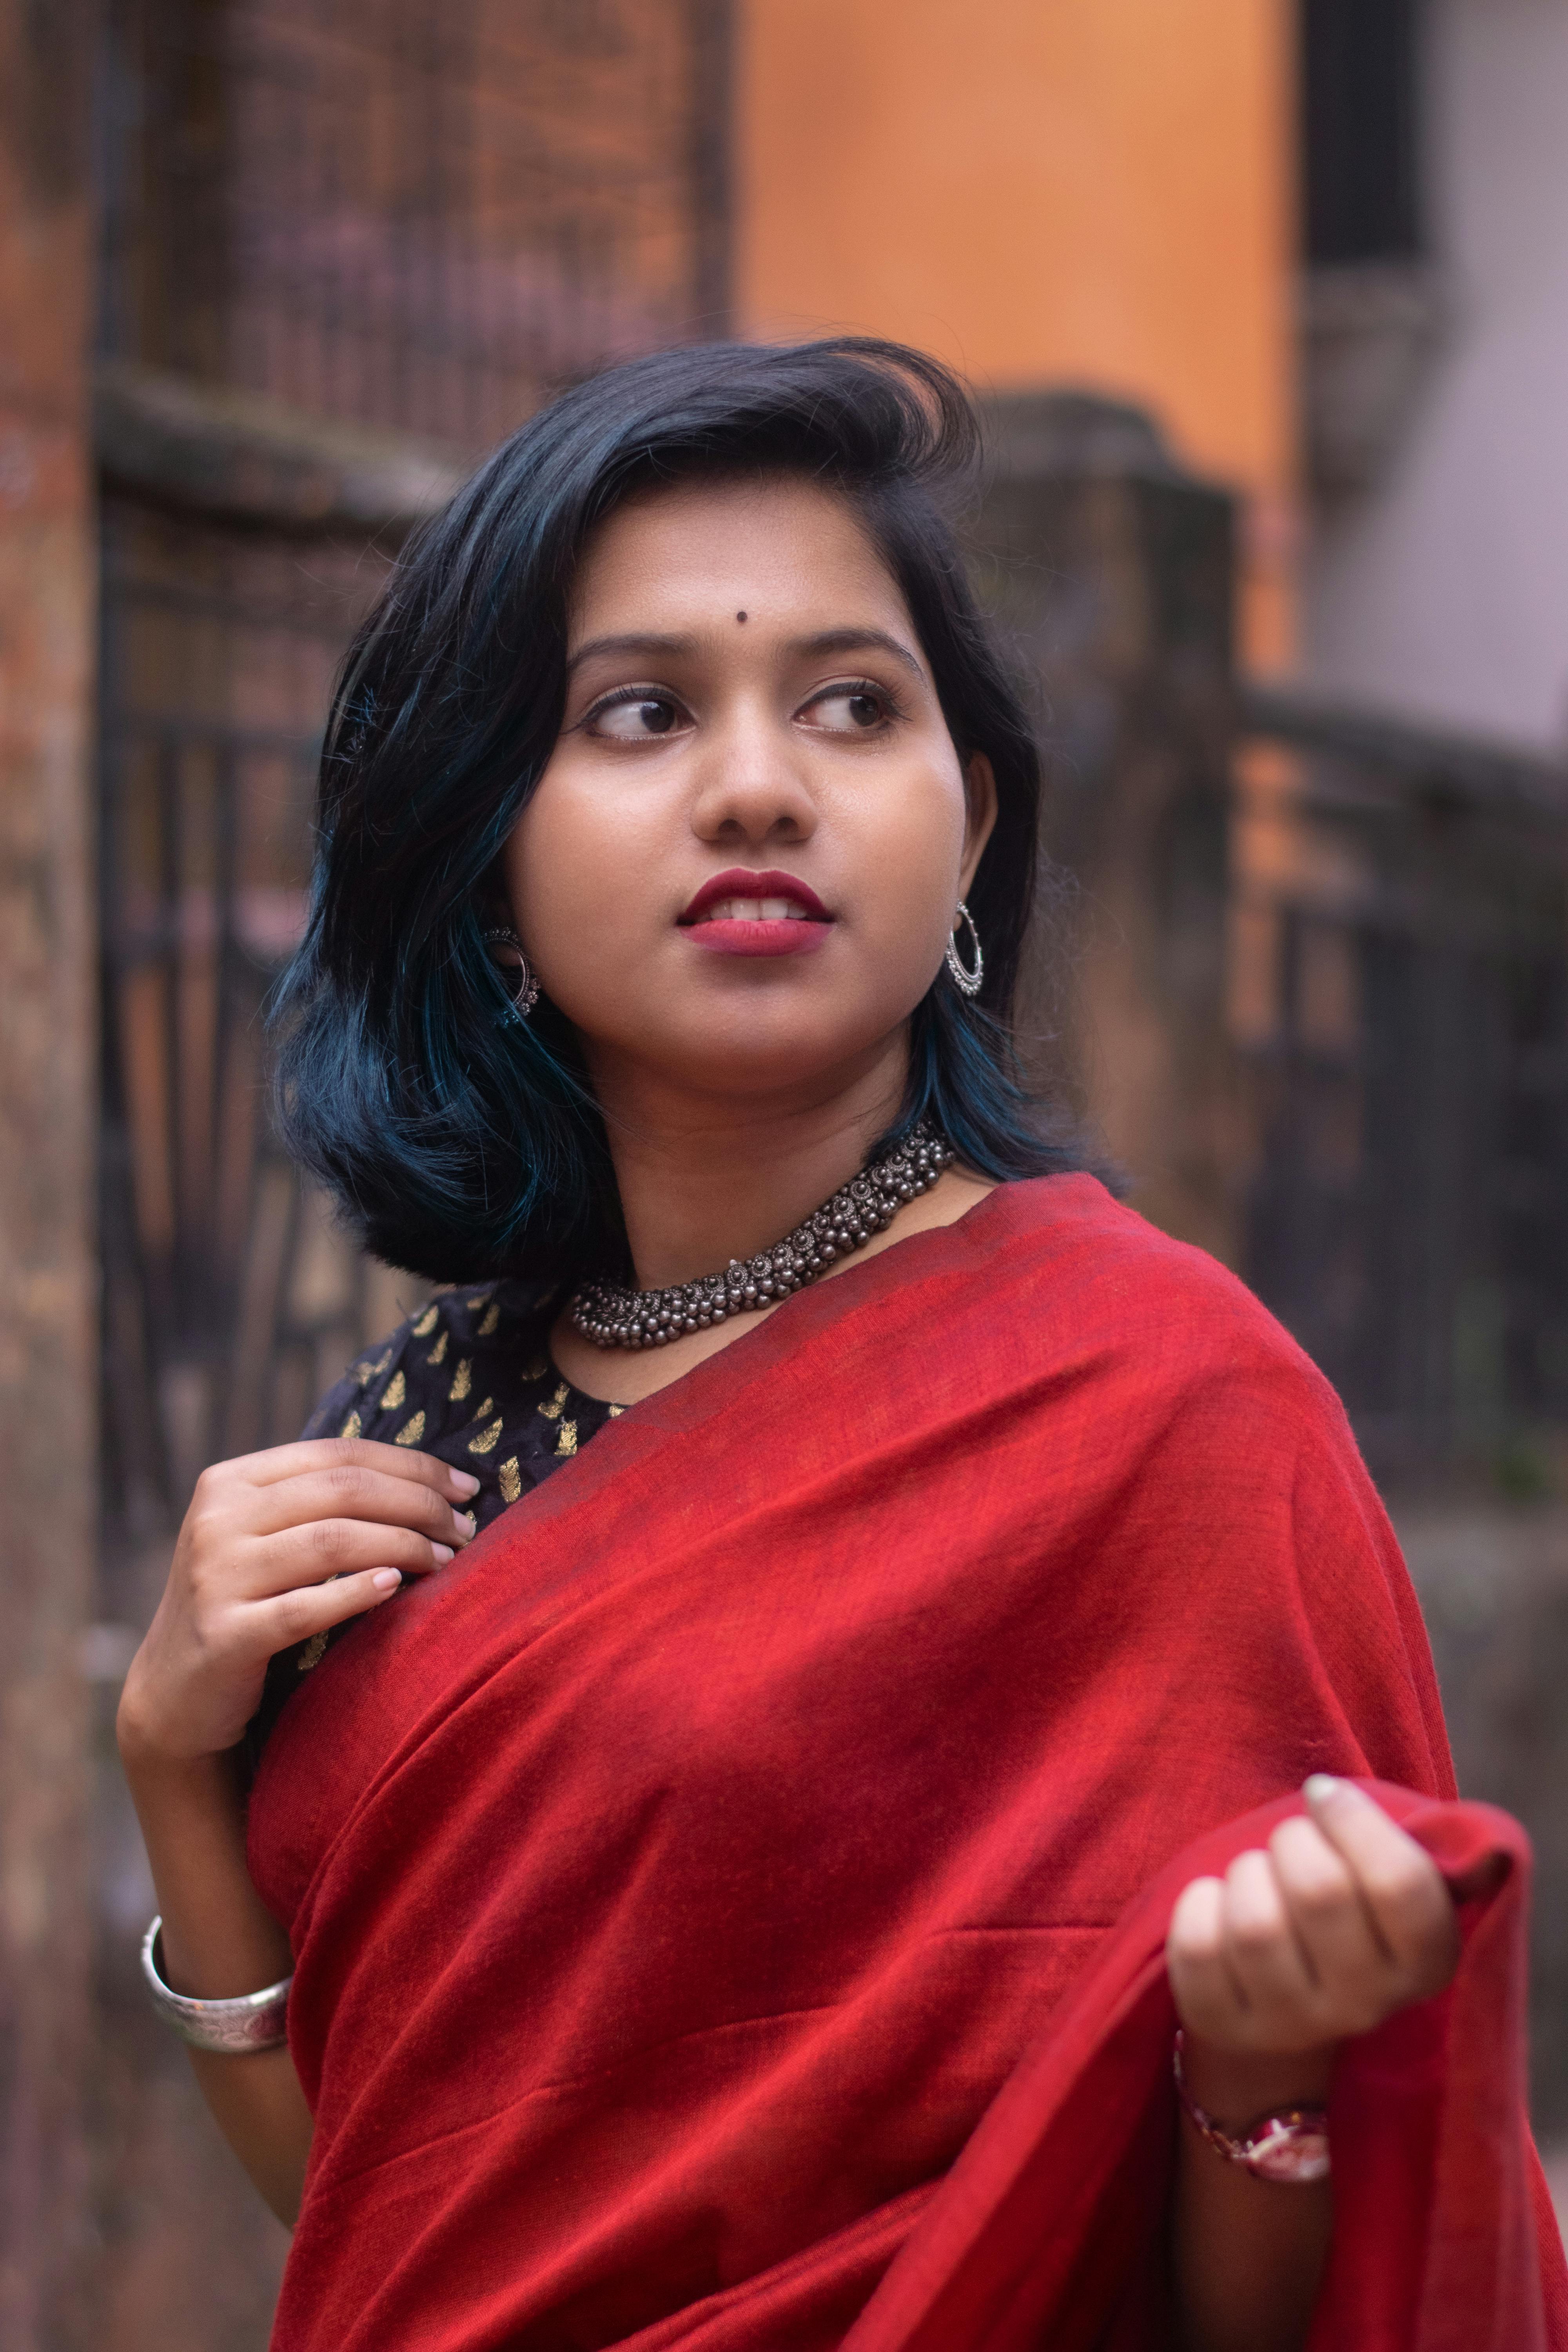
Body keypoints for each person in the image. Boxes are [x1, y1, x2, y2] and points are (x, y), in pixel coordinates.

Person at [116, 339, 1566, 2352]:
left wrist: (1264, 2079)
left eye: (850, 706)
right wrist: (179, 1780)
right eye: (639, 712)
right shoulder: (427, 1431)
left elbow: (1352, 2265)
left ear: (964, 826)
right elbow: (390, 2210)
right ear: (493, 866)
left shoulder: (1162, 1407)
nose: (757, 783)